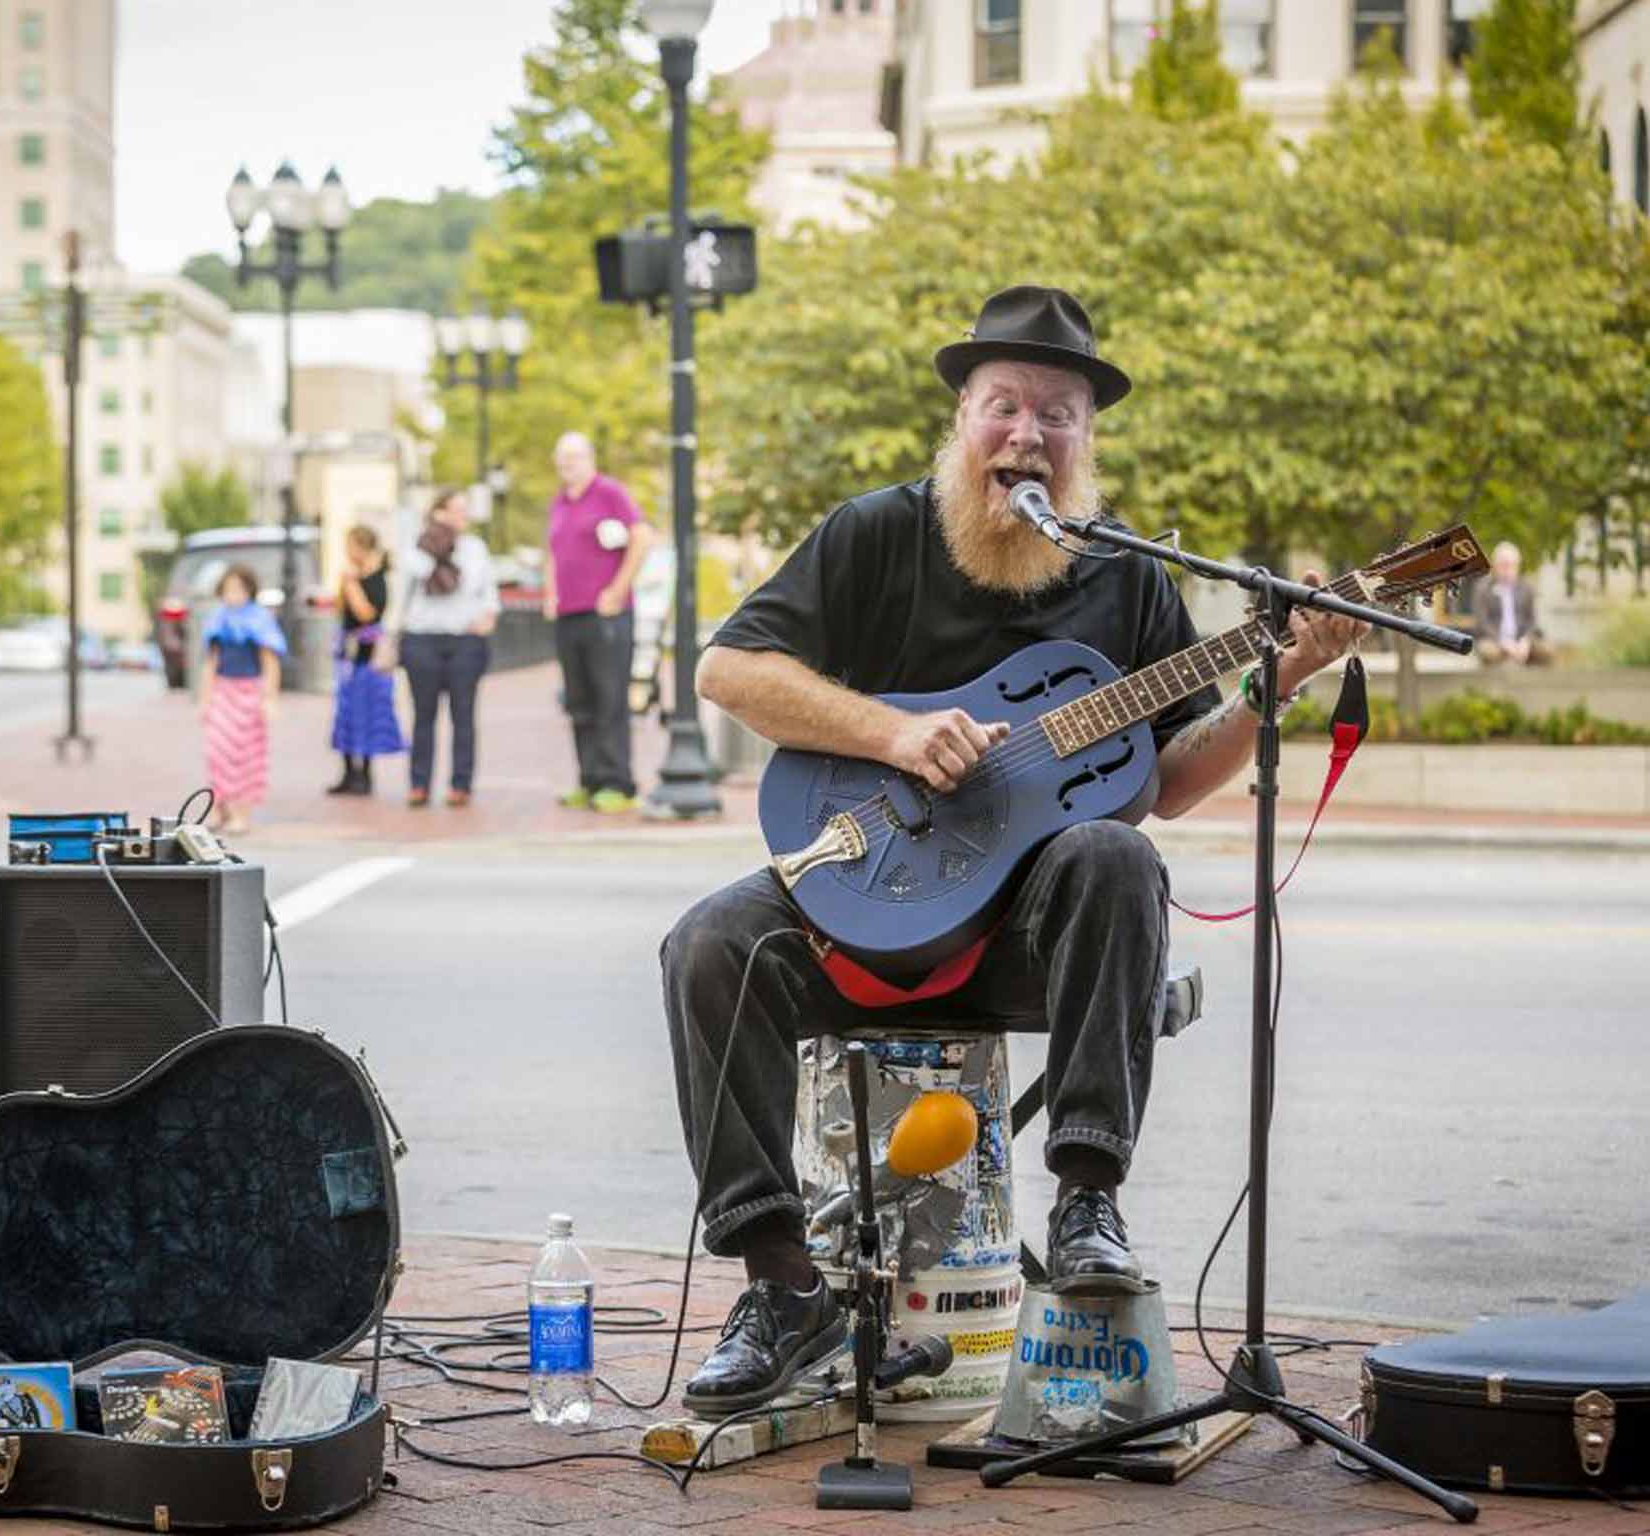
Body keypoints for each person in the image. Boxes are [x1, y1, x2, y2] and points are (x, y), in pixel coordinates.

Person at [661, 285, 1366, 1415]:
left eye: (1058, 414)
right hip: (861, 898)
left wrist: (1279, 673)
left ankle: (1085, 1198)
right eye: (1003, 407)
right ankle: (780, 1283)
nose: (1027, 435)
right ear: (961, 421)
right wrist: (892, 733)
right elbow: (727, 673)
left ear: (1087, 441)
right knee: (705, 944)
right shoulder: (873, 533)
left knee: (1113, 853)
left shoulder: (1126, 577)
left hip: (1019, 944)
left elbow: (1169, 783)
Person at [545, 431, 653, 812]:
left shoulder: (609, 493)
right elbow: (552, 553)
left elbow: (642, 537)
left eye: (573, 456)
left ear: (589, 458)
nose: (566, 464)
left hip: (607, 614)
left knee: (609, 698)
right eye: (561, 457)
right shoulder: (558, 503)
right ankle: (589, 780)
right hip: (568, 615)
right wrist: (549, 593)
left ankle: (618, 784)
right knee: (579, 702)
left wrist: (617, 589)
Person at [395, 487, 500, 808]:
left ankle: (461, 784)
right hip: (423, 638)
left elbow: (488, 592)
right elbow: (410, 583)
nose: (461, 517)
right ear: (438, 512)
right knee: (423, 715)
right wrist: (439, 543)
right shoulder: (417, 548)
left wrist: (488, 618)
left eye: (464, 510)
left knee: (463, 715)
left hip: (464, 640)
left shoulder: (475, 549)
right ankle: (419, 783)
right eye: (455, 509)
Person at [196, 563, 287, 834]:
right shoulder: (217, 620)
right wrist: (204, 699)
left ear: (249, 590)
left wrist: (270, 698)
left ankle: (241, 813)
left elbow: (270, 662)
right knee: (217, 751)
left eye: (238, 588)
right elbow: (211, 663)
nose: (233, 594)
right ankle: (219, 808)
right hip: (223, 690)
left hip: (249, 691)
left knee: (246, 754)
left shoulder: (260, 620)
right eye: (228, 589)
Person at [327, 525, 407, 796]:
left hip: (368, 658)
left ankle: (365, 774)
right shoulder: (351, 577)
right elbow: (342, 610)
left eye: (350, 546)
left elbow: (365, 614)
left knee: (367, 714)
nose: (347, 552)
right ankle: (348, 771)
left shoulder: (377, 580)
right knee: (346, 714)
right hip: (348, 656)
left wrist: (350, 585)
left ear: (362, 547)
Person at [1473, 540, 1551, 666]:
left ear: (1517, 565)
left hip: (1521, 640)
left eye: (1511, 565)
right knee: (1487, 651)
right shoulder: (1483, 588)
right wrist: (1503, 642)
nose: (1508, 570)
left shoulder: (1527, 588)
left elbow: (1532, 620)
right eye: (1504, 565)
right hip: (1494, 640)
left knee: (1547, 650)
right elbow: (1483, 623)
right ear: (1495, 566)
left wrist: (1525, 641)